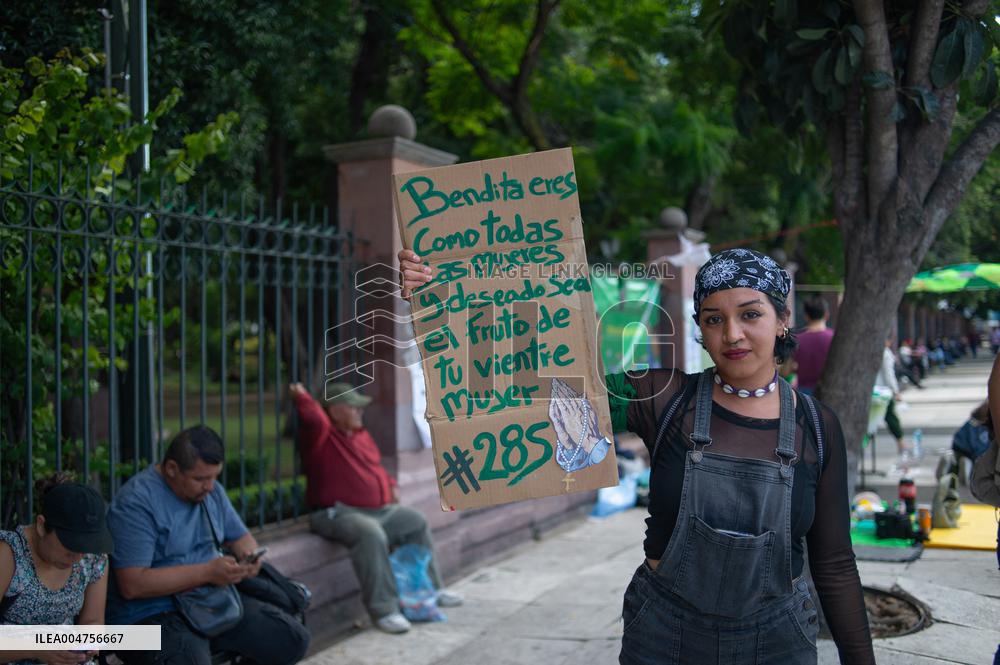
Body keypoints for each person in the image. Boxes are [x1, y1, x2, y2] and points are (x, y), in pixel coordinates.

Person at [400, 247, 875, 664]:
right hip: (665, 637)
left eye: (750, 314)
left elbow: (834, 564)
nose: (732, 334)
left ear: (782, 319)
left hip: (777, 643)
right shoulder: (662, 398)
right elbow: (532, 388)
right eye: (714, 319)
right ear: (700, 328)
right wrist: (443, 304)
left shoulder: (817, 427)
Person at [106, 426, 309, 665]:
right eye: (200, 479)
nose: (210, 486)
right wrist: (208, 572)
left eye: (215, 477)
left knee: (291, 639)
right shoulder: (136, 503)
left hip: (210, 601)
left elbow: (241, 537)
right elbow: (133, 584)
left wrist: (248, 558)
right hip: (151, 614)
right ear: (171, 469)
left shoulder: (210, 491)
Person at [289, 382, 463, 635]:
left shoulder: (361, 435)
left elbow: (375, 467)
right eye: (353, 407)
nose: (360, 412)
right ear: (334, 411)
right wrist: (303, 397)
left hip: (377, 510)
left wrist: (390, 485)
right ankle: (385, 610)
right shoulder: (322, 437)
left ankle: (428, 591)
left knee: (415, 521)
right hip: (336, 512)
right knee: (370, 533)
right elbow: (315, 419)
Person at [0, 475, 113, 665]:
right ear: (41, 526)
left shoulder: (93, 557)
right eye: (70, 545)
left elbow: (93, 620)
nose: (78, 556)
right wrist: (35, 647)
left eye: (85, 546)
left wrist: (88, 643)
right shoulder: (8, 553)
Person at [875, 337, 910, 459]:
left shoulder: (874, 351)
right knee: (891, 417)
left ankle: (901, 443)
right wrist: (895, 391)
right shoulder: (885, 353)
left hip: (876, 390)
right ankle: (901, 443)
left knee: (885, 418)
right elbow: (889, 374)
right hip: (883, 391)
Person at [793, 296, 834, 395]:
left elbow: (789, 367)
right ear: (826, 314)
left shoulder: (796, 339)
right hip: (829, 390)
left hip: (803, 392)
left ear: (806, 316)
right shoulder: (834, 337)